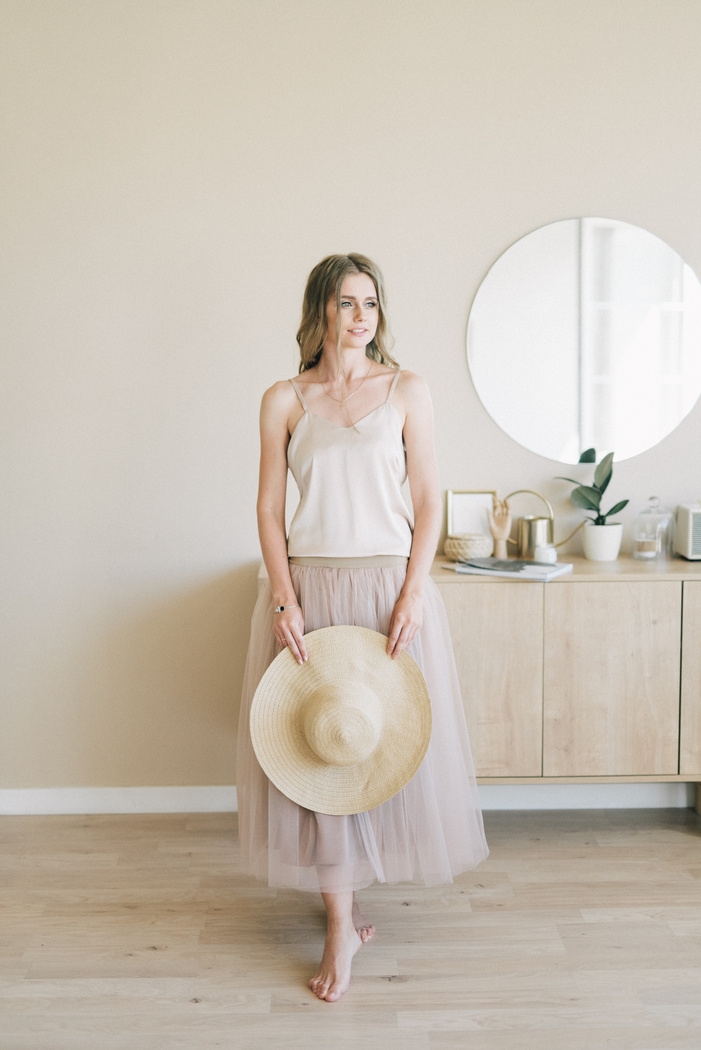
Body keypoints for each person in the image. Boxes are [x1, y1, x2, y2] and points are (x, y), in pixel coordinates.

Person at [237, 253, 488, 1002]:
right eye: (345, 302)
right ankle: (340, 922)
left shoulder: (407, 390)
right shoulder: (283, 399)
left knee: (380, 744)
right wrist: (284, 597)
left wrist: (414, 592)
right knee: (319, 750)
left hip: (387, 588)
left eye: (369, 302)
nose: (359, 316)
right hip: (310, 590)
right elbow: (268, 510)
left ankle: (348, 905)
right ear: (319, 311)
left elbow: (429, 502)